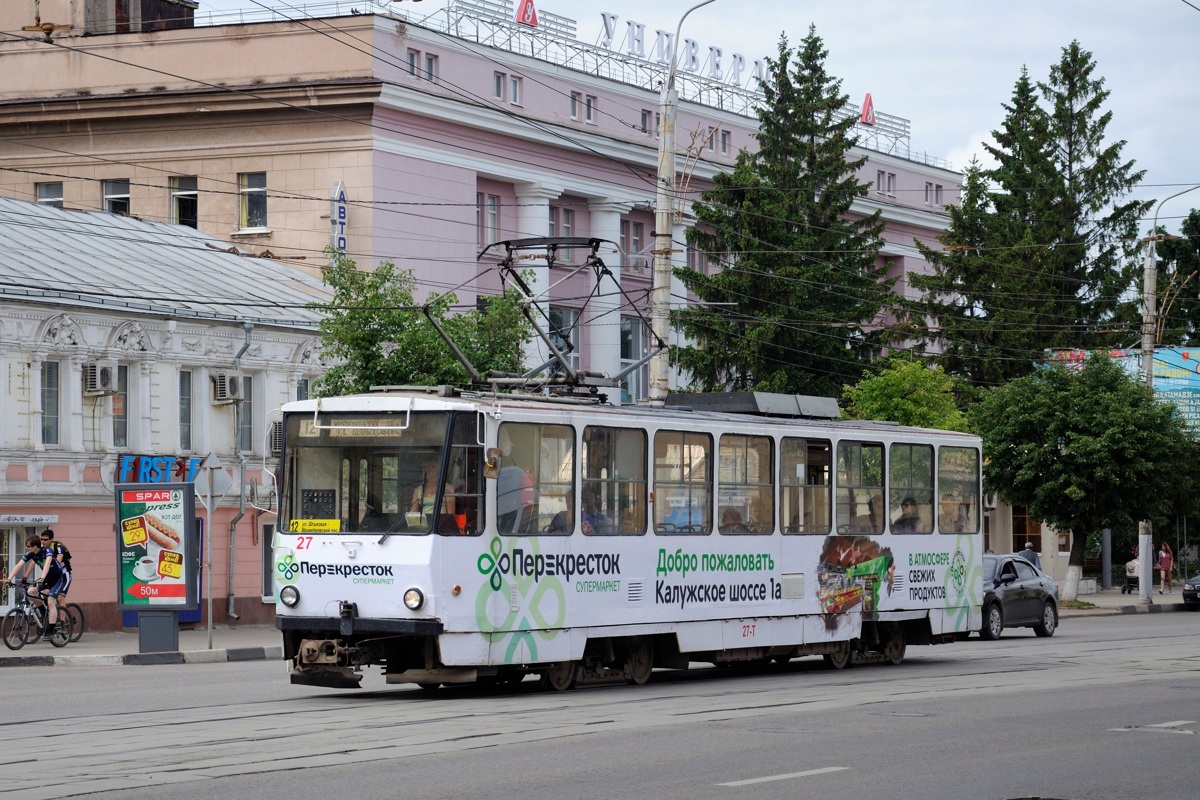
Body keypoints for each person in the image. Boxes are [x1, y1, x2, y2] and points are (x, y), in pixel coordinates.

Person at [411, 457, 455, 522]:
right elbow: (413, 515)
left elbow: (451, 516)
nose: (427, 470)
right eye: (424, 468)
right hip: (423, 527)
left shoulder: (447, 488)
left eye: (432, 467)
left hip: (441, 526)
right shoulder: (417, 490)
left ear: (439, 470)